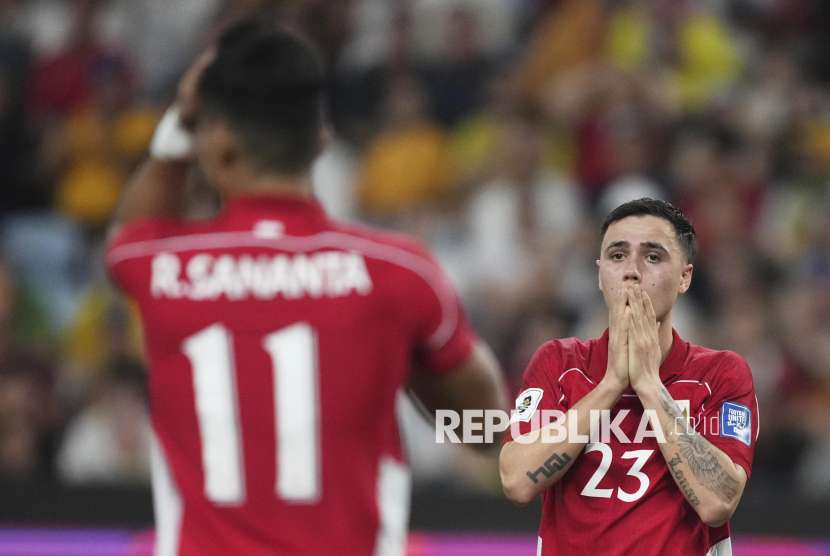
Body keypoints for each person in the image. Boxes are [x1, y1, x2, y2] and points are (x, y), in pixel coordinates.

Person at [105, 19, 508, 556]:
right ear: (321, 139)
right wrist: (415, 372)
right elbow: (484, 431)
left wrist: (180, 126)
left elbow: (126, 236)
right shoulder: (398, 272)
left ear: (219, 148)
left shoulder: (161, 265)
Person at [499, 198, 758, 555]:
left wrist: (650, 384)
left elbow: (718, 503)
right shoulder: (559, 362)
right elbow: (516, 481)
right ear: (600, 274)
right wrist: (611, 384)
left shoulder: (720, 373)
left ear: (685, 277)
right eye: (617, 255)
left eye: (653, 256)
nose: (632, 271)